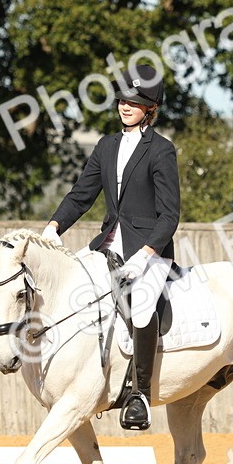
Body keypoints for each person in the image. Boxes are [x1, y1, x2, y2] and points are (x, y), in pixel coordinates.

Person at [43, 63, 180, 430]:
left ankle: (140, 395)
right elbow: (81, 195)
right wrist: (53, 227)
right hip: (107, 245)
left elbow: (170, 215)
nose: (125, 106)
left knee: (141, 308)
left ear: (150, 108)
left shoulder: (161, 150)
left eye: (134, 102)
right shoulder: (107, 146)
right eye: (122, 99)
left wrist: (146, 255)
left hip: (150, 251)